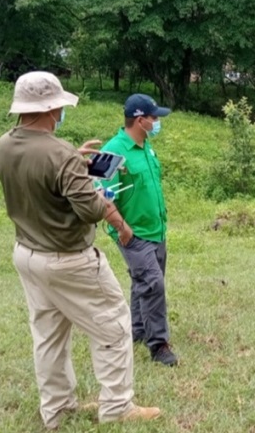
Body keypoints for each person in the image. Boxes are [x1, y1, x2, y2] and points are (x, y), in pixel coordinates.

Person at [0, 71, 160, 429]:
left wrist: (75, 162)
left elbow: (40, 179)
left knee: (49, 334)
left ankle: (57, 409)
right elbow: (88, 208)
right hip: (67, 257)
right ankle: (117, 406)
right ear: (53, 108)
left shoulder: (5, 145)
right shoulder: (59, 154)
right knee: (114, 326)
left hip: (27, 252)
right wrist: (97, 191)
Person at [100, 94, 178, 367]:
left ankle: (138, 329)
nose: (157, 123)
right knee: (153, 283)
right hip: (132, 232)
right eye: (154, 118)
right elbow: (98, 194)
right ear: (140, 119)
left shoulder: (146, 148)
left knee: (144, 281)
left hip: (156, 229)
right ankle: (159, 346)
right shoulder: (112, 150)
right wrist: (122, 228)